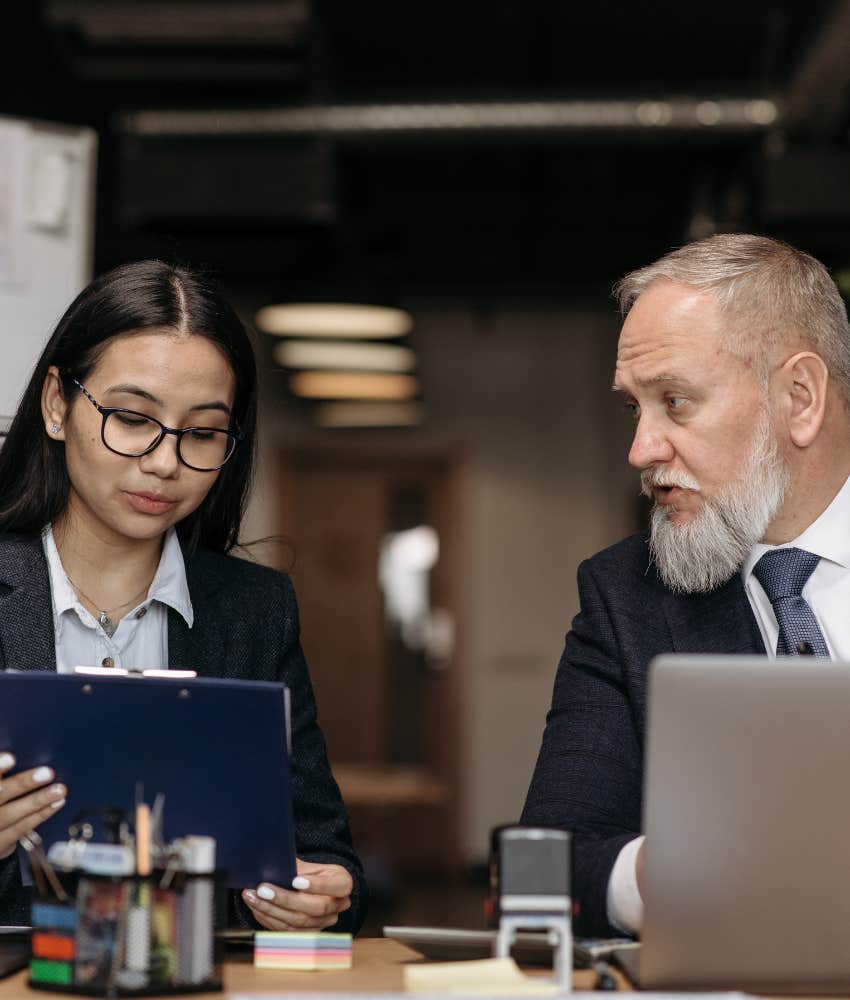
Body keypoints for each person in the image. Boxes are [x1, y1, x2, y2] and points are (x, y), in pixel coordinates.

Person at [0, 260, 367, 933]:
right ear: (57, 404)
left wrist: (315, 894)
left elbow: (321, 851)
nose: (165, 462)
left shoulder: (256, 610)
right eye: (133, 418)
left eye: (200, 434)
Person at [521, 233, 850, 938]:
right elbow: (544, 871)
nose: (641, 450)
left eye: (675, 401)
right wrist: (672, 873)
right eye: (633, 408)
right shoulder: (625, 595)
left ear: (800, 398)